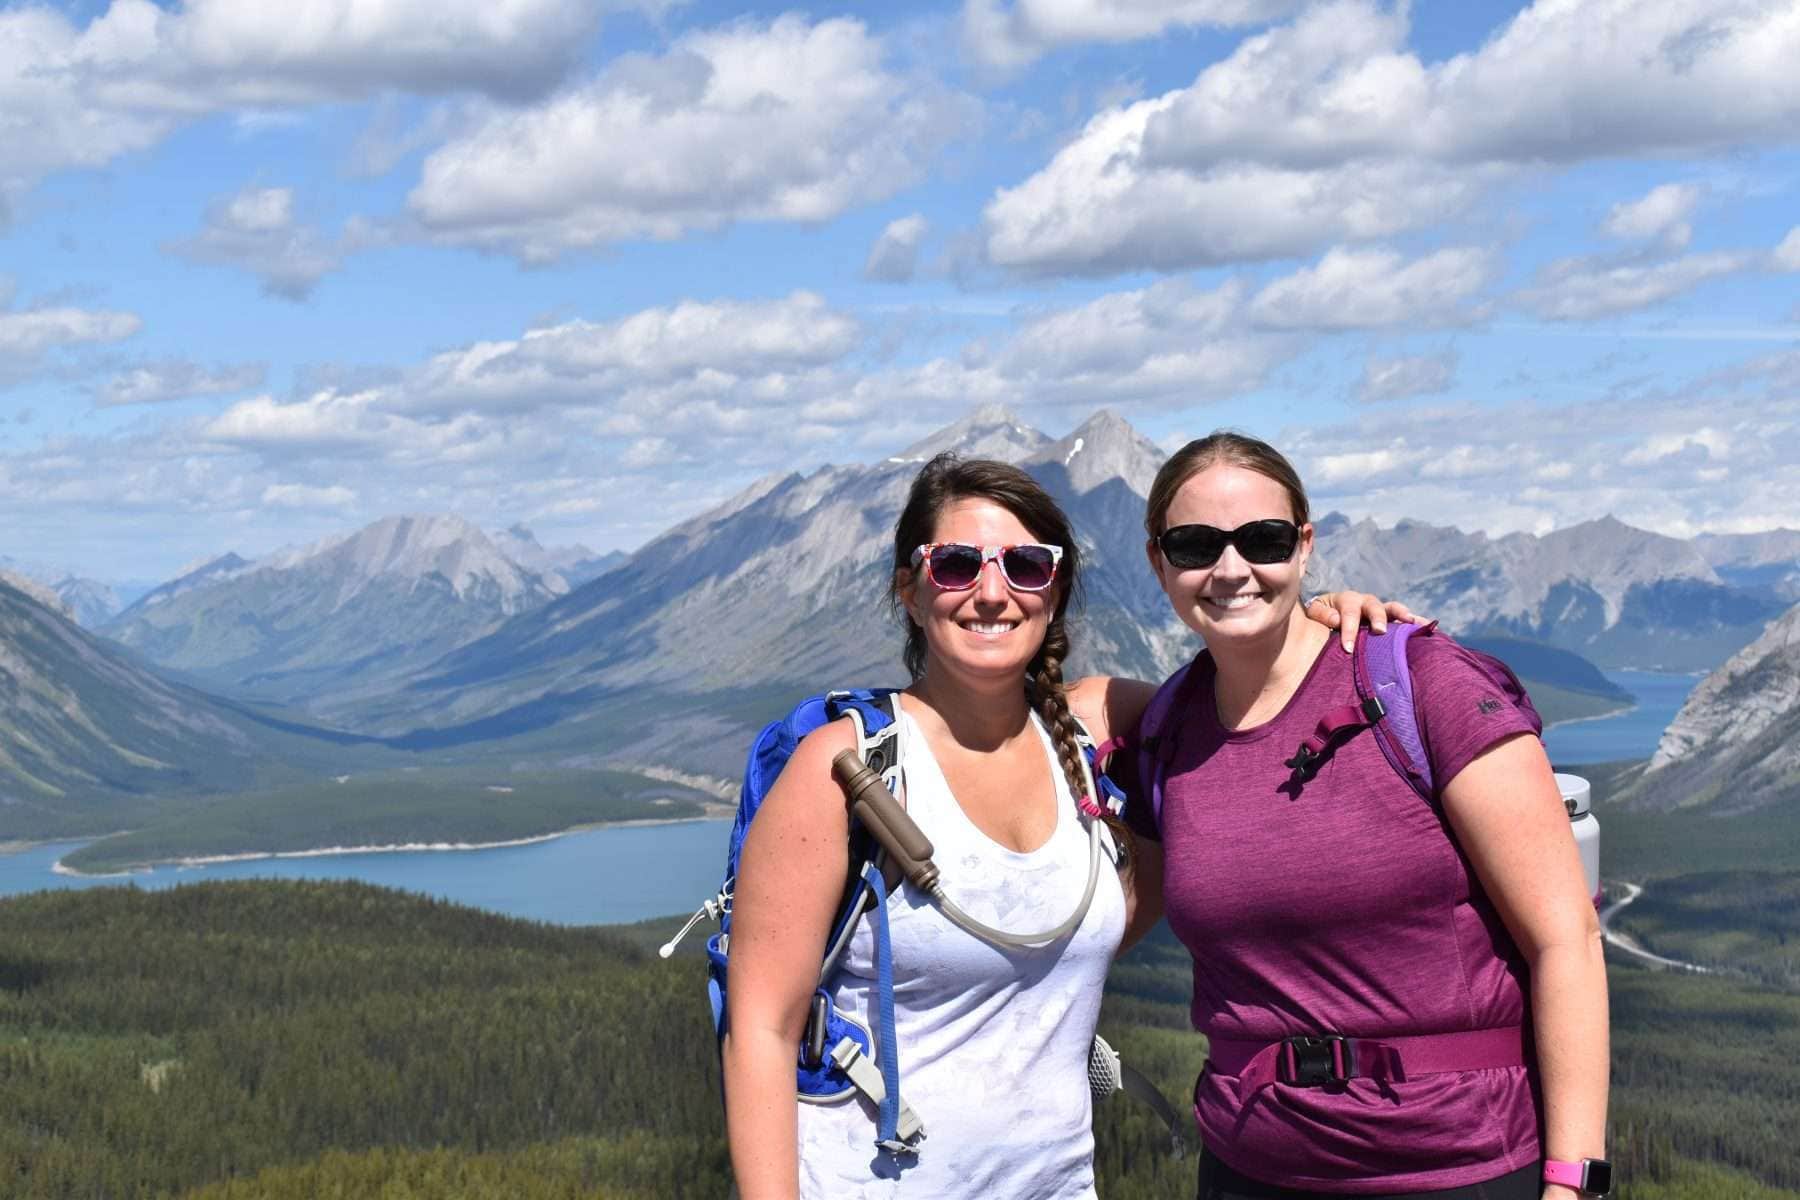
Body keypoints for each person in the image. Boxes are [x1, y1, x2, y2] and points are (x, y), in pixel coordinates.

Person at [722, 452, 1408, 1200]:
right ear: (910, 590)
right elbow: (761, 1029)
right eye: (955, 564)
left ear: (1056, 589)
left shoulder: (1095, 726)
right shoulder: (846, 766)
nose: (992, 592)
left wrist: (1314, 615)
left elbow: (1257, 690)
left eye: (1025, 564)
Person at [1129, 433, 1610, 1200]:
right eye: (1195, 544)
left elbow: (1568, 941)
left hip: (1456, 1168)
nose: (1230, 569)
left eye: (1263, 539)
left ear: (1304, 545)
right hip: (1247, 1168)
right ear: (1159, 561)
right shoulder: (1165, 729)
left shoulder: (1419, 683)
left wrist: (1574, 1181)